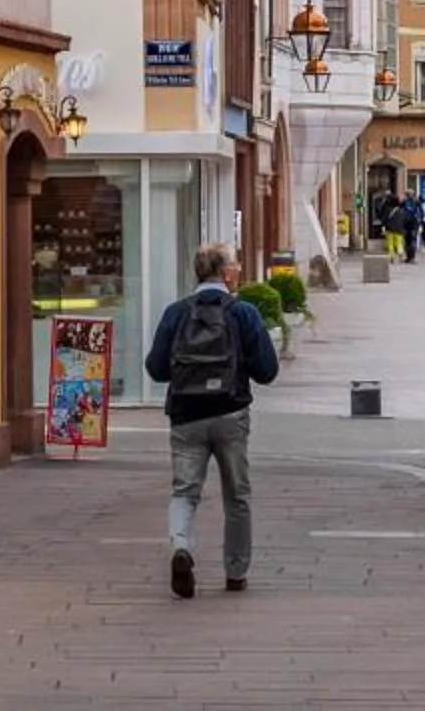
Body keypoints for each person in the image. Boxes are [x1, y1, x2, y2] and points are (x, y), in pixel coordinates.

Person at [144, 244, 280, 599]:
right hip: (230, 412)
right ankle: (236, 572)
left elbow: (156, 369)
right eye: (234, 264)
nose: (237, 269)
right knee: (237, 494)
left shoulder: (176, 313)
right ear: (225, 273)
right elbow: (268, 371)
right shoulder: (244, 313)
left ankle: (181, 548)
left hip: (185, 416)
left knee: (184, 491)